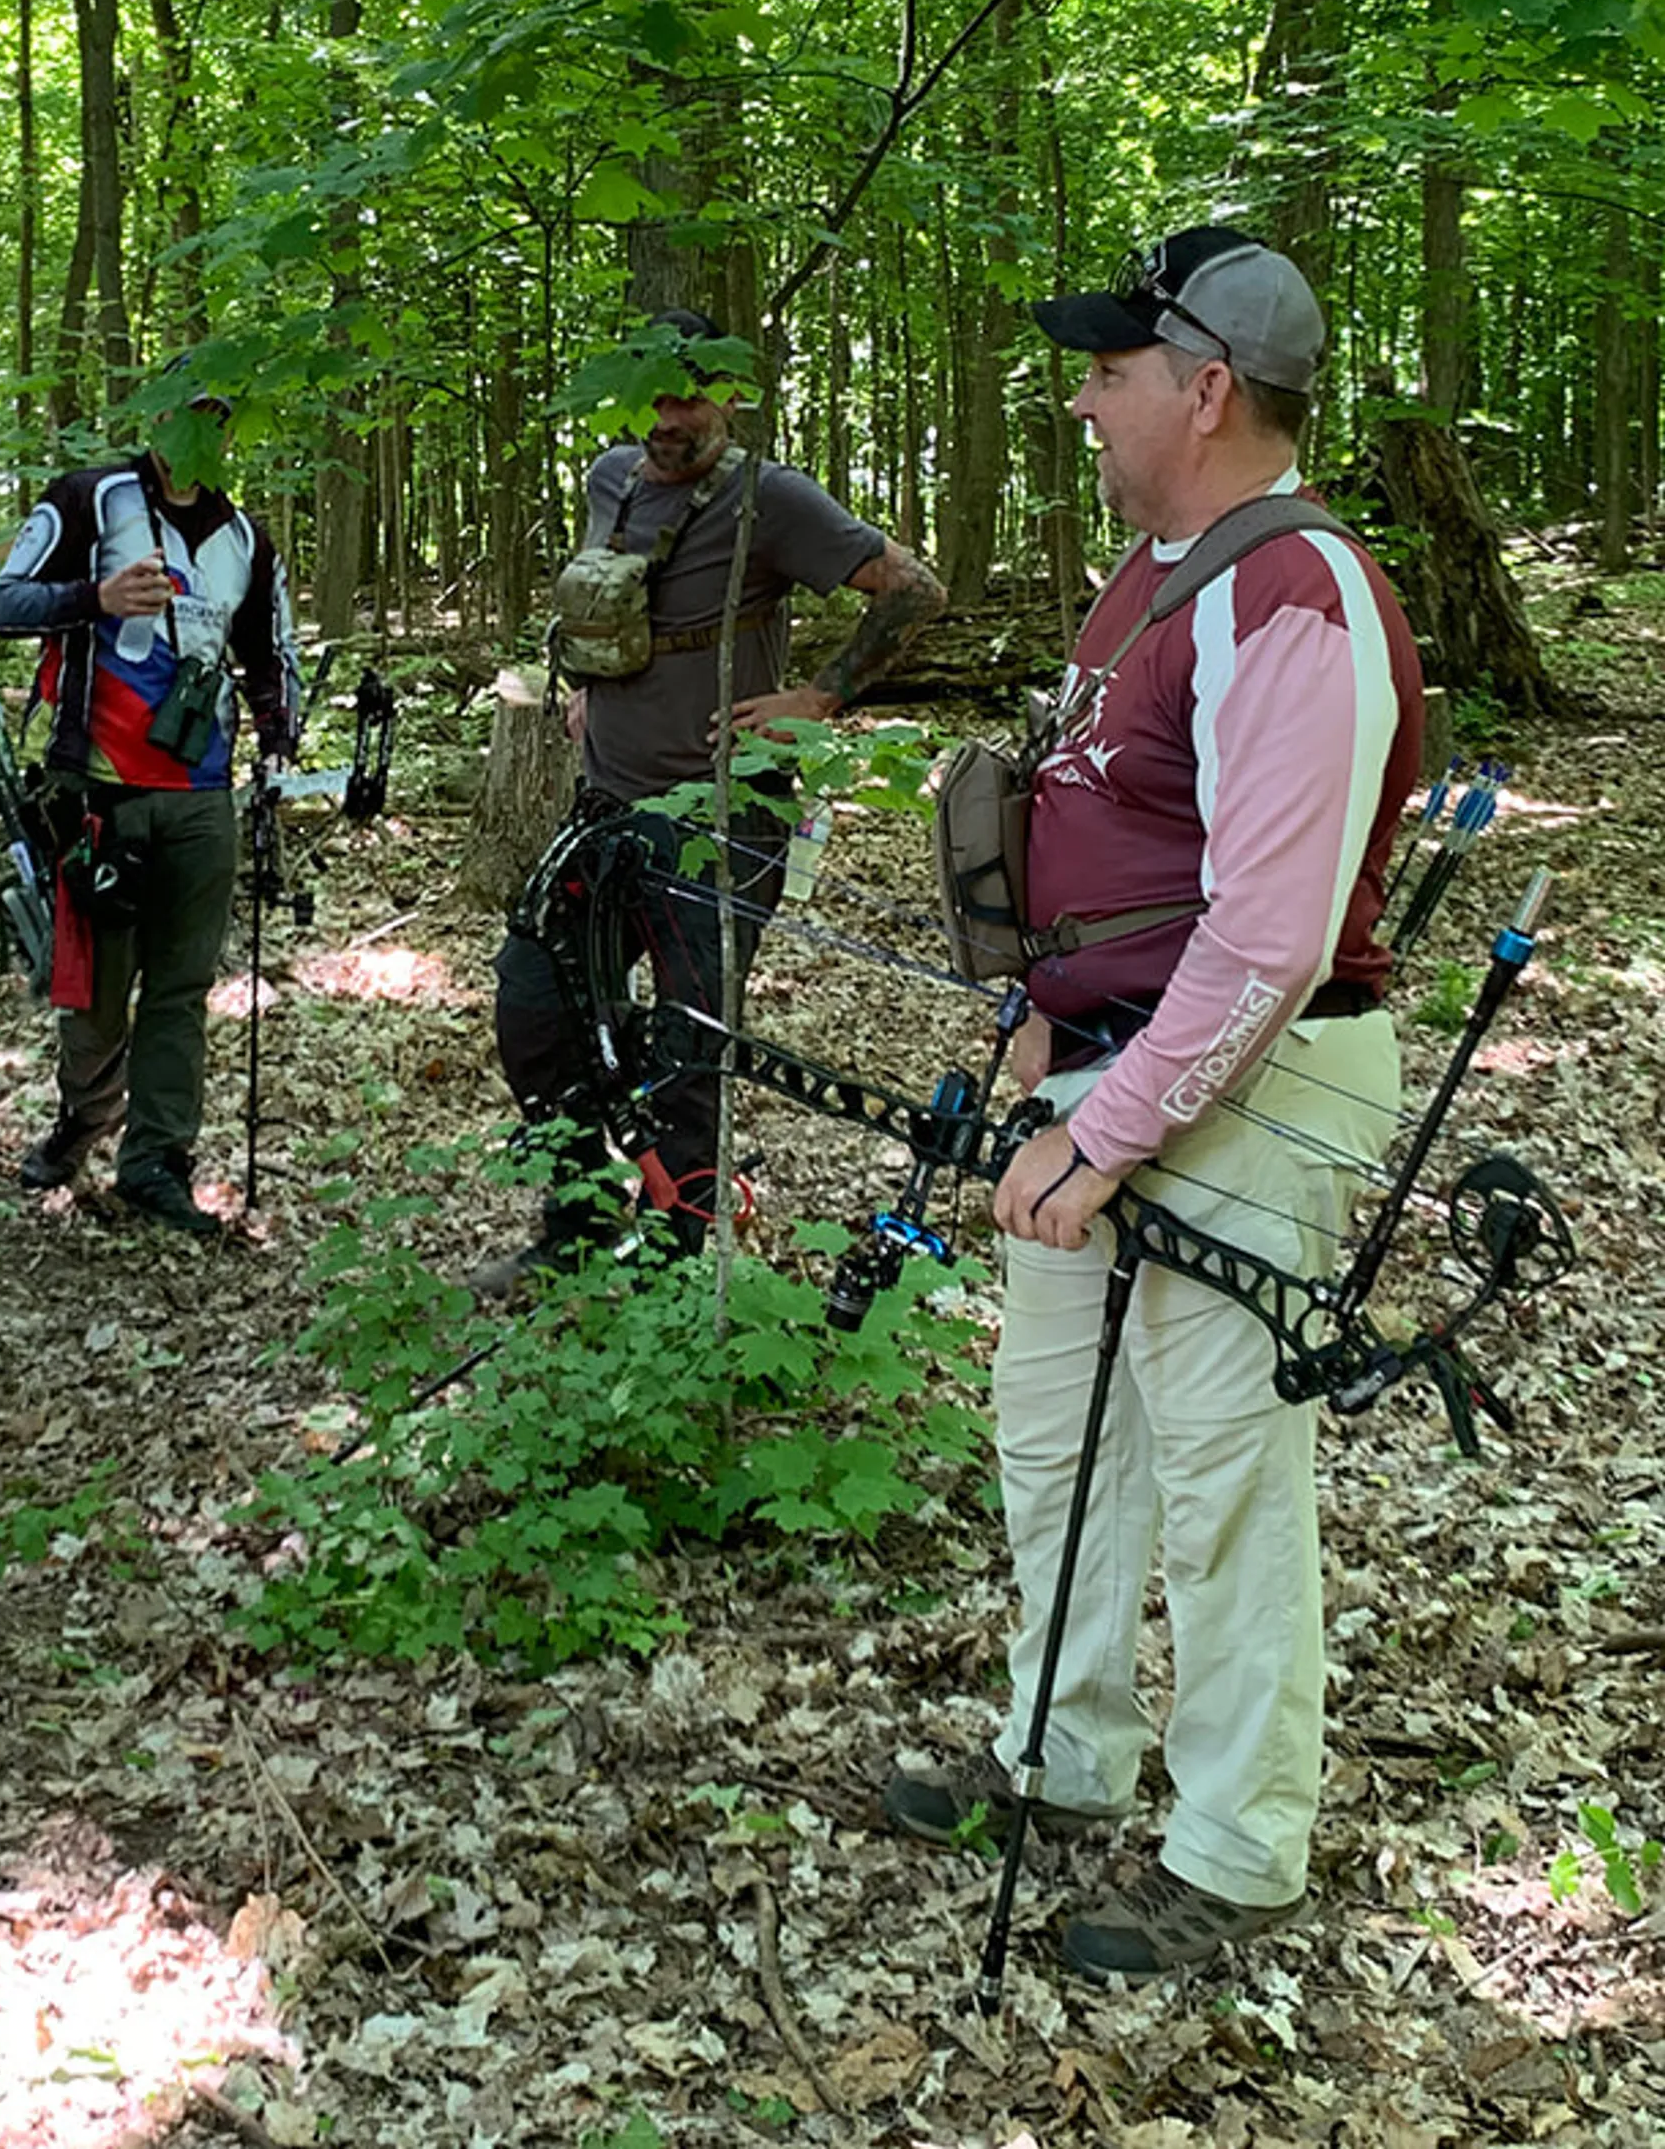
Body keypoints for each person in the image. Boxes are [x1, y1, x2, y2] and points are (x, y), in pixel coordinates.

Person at [882, 227, 1425, 1982]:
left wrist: (1109, 1133)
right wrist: (1047, 1036)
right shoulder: (1157, 571)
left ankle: (1238, 1847)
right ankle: (1061, 1750)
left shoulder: (1294, 595)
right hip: (1099, 1072)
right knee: (1057, 1437)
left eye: (1110, 372)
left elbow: (1268, 937)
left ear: (1205, 390)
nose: (1082, 401)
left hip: (1245, 1093)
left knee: (1219, 1472)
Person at [482, 309, 945, 1293]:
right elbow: (612, 609)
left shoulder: (769, 498)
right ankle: (576, 1222)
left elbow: (914, 589)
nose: (668, 417)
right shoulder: (609, 480)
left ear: (730, 396)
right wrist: (587, 684)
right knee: (537, 1000)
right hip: (604, 809)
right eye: (653, 395)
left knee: (689, 1046)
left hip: (720, 822)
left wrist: (818, 697)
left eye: (690, 397)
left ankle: (670, 1264)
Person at [0, 367, 302, 1235]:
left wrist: (278, 737)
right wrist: (96, 597)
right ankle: (84, 1118)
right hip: (101, 792)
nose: (198, 433)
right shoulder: (92, 500)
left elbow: (270, 655)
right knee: (95, 995)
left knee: (181, 988)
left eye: (216, 419)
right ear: (154, 419)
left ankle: (158, 1163)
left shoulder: (245, 538)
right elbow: (3, 604)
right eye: (183, 415)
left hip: (202, 796)